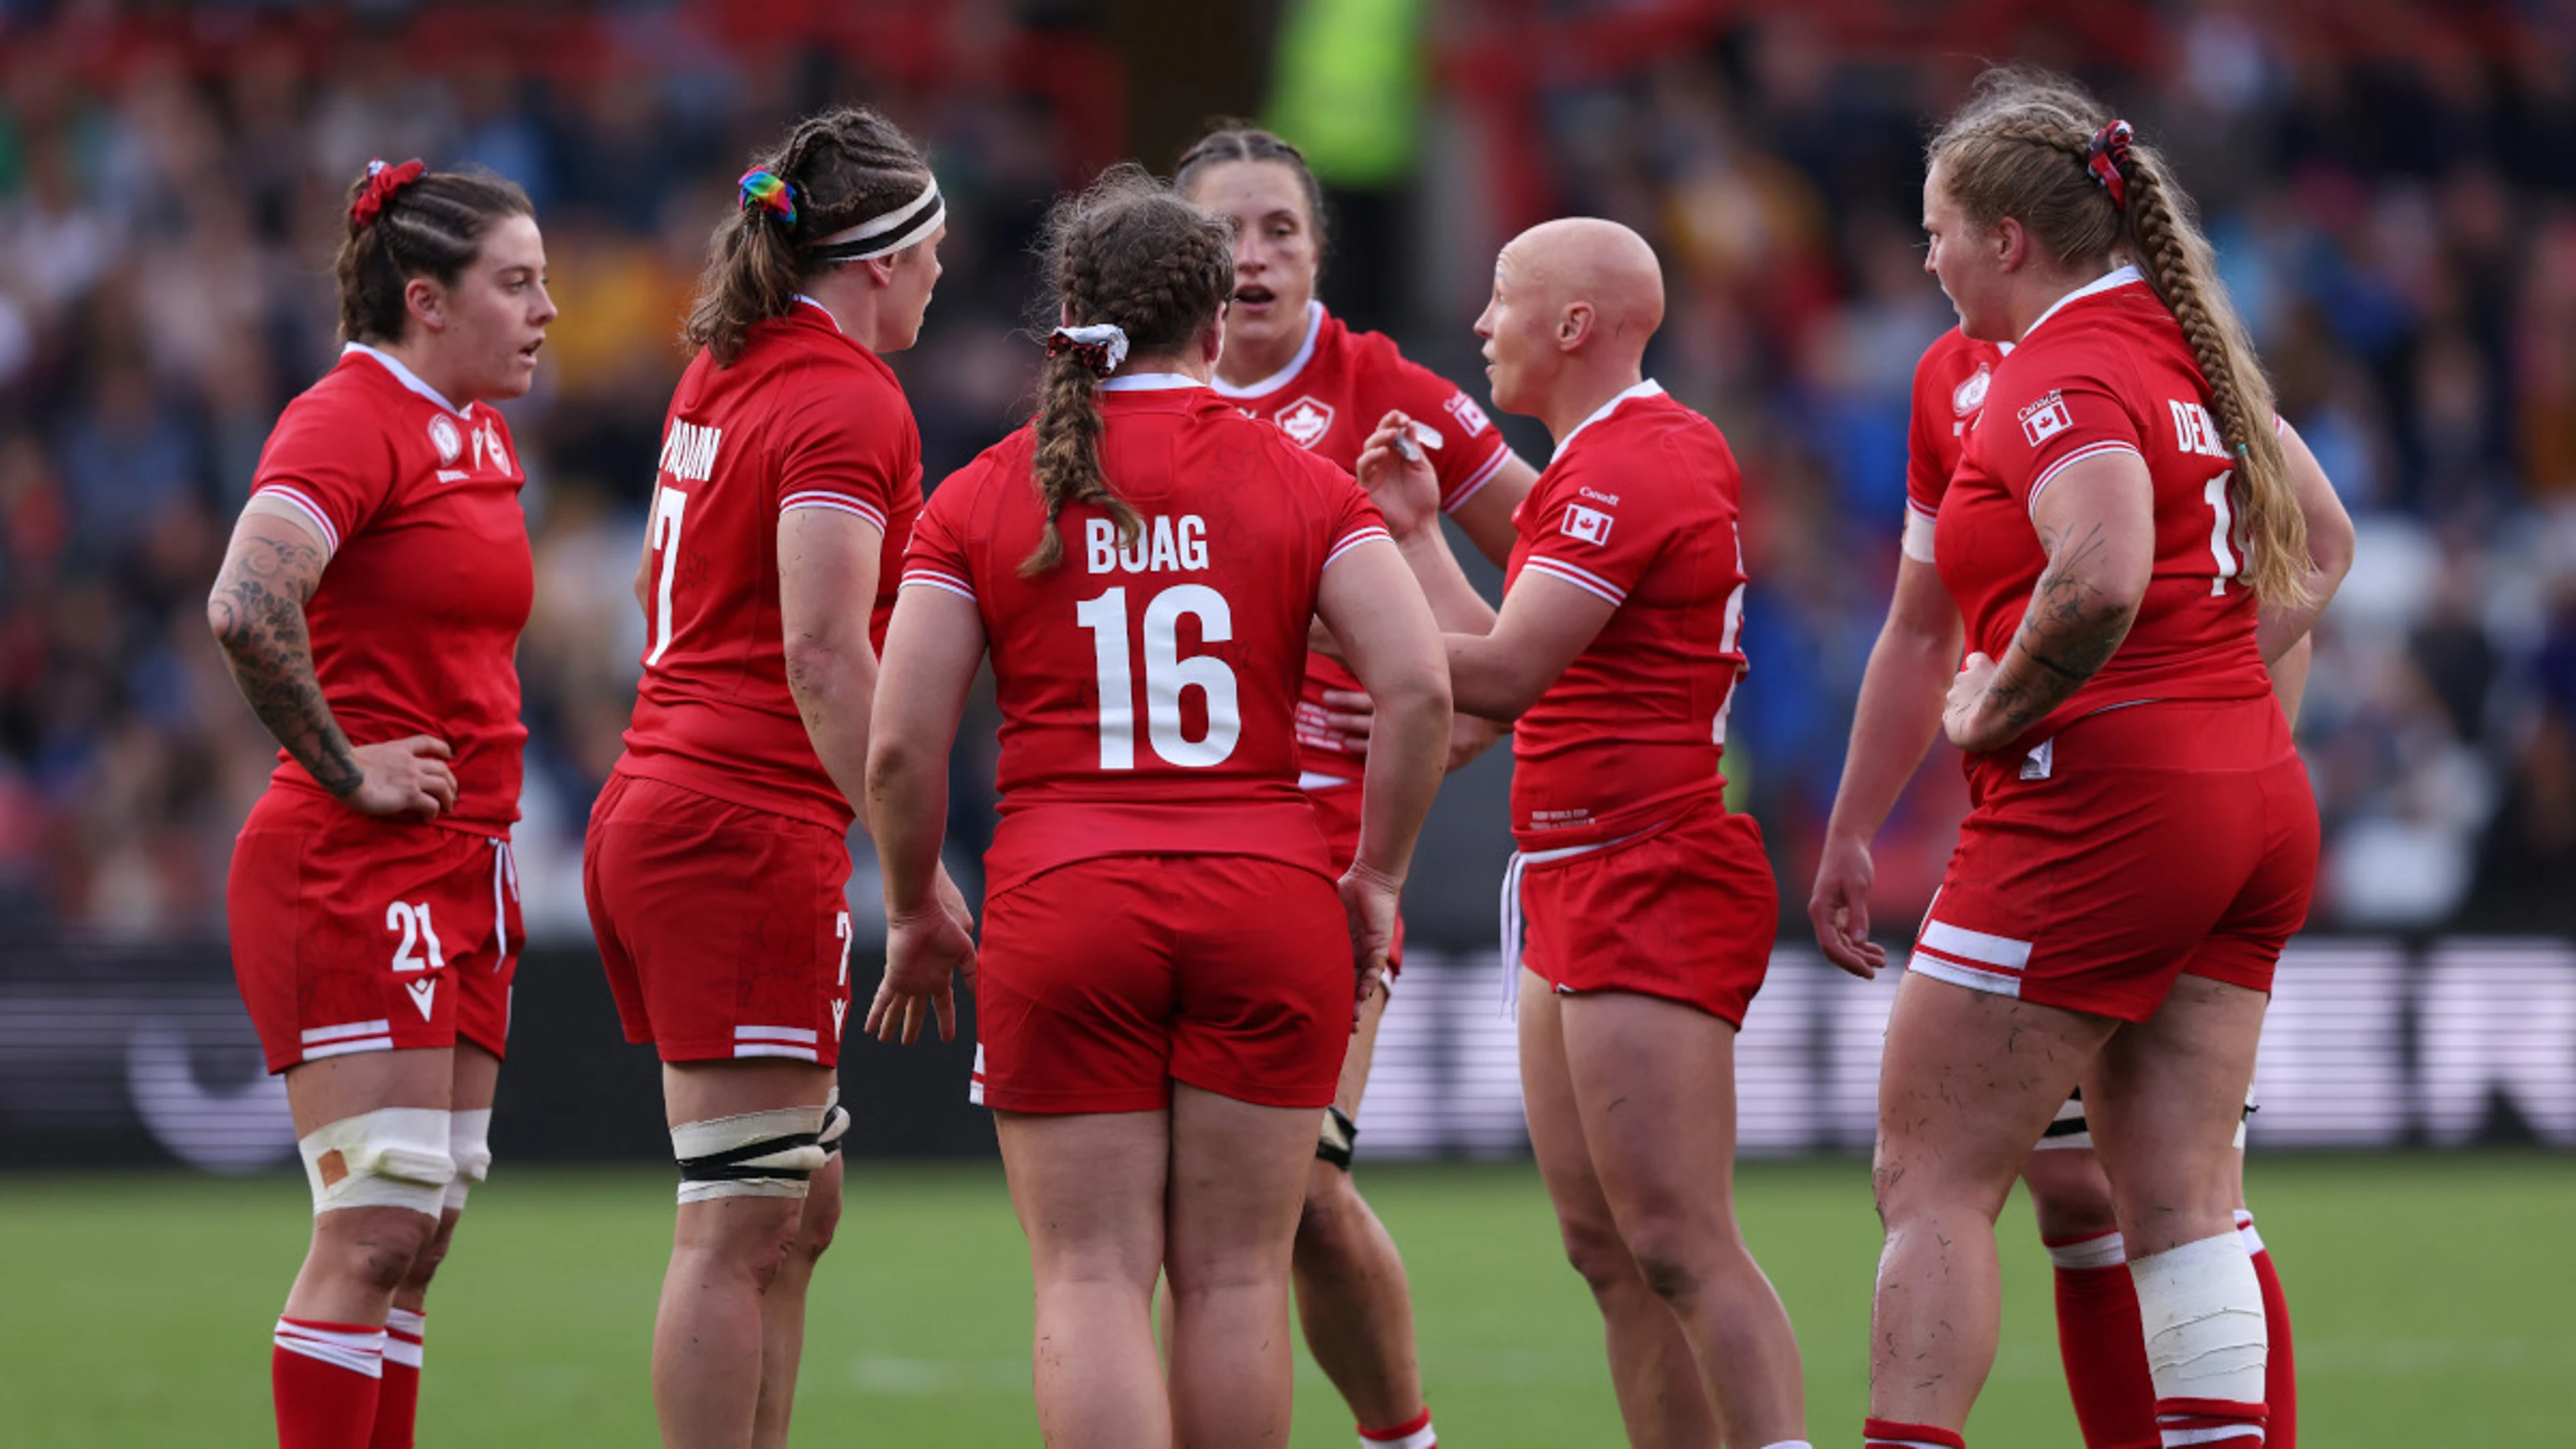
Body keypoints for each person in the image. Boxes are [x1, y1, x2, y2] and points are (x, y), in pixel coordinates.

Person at [861, 165, 1451, 1449]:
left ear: (1073, 312)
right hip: (1268, 898)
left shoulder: (983, 493)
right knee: (1238, 1280)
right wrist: (1379, 881)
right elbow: (1418, 690)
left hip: (1062, 906)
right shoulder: (1307, 482)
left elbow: (902, 746)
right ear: (1212, 320)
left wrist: (913, 904)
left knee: (1088, 1279)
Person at [1854, 69, 2355, 1449]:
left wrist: (1992, 709)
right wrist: (2205, 695)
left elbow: (2099, 576)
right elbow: (2322, 540)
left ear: (2009, 240)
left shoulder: (2052, 374)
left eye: (1940, 228)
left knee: (1934, 1177)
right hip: (2250, 802)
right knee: (2182, 1199)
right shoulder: (2185, 344)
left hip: (2102, 818)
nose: (1929, 256)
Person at [1357, 215, 1811, 1449]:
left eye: (1503, 300)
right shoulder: (1592, 468)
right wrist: (1409, 536)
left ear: (1572, 325)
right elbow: (1507, 684)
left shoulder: (1634, 465)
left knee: (1678, 1241)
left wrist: (1305, 614)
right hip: (1570, 870)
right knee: (1609, 1252)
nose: (1481, 324)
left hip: (1645, 867)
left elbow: (1491, 680)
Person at [578, 107, 965, 1449]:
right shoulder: (849, 400)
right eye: (932, 251)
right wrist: (914, 873)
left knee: (798, 1205)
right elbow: (820, 651)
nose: (940, 275)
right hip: (736, 826)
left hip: (668, 796)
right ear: (880, 263)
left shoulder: (725, 365)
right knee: (740, 1218)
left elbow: (650, 585)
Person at [1173, 123, 1540, 1449]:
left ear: (1322, 250)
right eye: (1226, 231)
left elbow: (1564, 565)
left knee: (1292, 1193)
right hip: (1164, 839)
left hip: (1329, 849)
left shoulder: (1384, 390)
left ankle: (1404, 1438)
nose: (1254, 255)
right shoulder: (1140, 397)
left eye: (1281, 228)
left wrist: (1440, 603)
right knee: (1192, 1213)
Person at [212, 158, 551, 1449]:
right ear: (426, 299)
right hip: (357, 862)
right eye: (515, 283)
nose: (546, 309)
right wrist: (350, 765)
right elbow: (246, 605)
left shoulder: (473, 426)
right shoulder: (348, 416)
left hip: (467, 859)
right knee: (375, 1226)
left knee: (423, 1231)